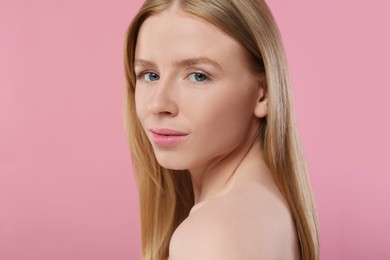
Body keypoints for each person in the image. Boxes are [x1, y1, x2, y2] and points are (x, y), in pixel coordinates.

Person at [124, 0, 319, 259]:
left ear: (264, 94)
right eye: (149, 75)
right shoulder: (268, 210)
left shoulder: (213, 233)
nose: (158, 104)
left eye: (198, 76)